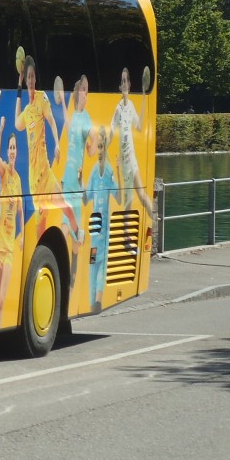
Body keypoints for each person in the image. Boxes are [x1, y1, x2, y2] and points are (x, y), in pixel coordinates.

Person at [15, 55, 80, 246]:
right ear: (25, 80)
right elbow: (16, 123)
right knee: (39, 226)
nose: (31, 81)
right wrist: (18, 89)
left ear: (36, 78)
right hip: (34, 180)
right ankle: (41, 252)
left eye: (33, 76)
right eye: (28, 77)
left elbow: (52, 121)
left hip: (45, 172)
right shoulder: (26, 111)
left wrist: (58, 144)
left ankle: (78, 234)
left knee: (66, 206)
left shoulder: (42, 98)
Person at [59, 75, 94, 286]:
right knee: (66, 225)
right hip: (67, 177)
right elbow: (69, 123)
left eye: (87, 90)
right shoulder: (75, 116)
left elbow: (94, 140)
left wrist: (90, 150)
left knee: (72, 229)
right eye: (82, 89)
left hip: (76, 181)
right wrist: (63, 102)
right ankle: (68, 272)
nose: (85, 93)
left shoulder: (87, 118)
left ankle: (71, 271)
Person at [84, 127, 120, 312]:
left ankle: (93, 301)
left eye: (99, 147)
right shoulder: (107, 171)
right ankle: (96, 300)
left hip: (95, 226)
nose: (99, 151)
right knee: (99, 263)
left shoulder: (97, 171)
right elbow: (119, 197)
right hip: (100, 225)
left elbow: (86, 198)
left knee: (94, 263)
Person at [110, 67, 155, 219]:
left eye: (125, 81)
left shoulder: (131, 107)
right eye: (121, 82)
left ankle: (156, 221)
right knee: (128, 202)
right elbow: (111, 132)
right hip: (123, 162)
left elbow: (140, 126)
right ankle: (127, 236)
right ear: (120, 86)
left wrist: (143, 98)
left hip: (131, 158)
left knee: (141, 194)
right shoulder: (118, 109)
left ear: (129, 84)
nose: (123, 84)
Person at [0, 116, 24, 328]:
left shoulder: (18, 179)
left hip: (10, 248)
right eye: (9, 148)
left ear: (17, 152)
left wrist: (21, 235)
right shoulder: (4, 173)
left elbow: (22, 209)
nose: (12, 151)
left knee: (3, 300)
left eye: (14, 148)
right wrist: (1, 130)